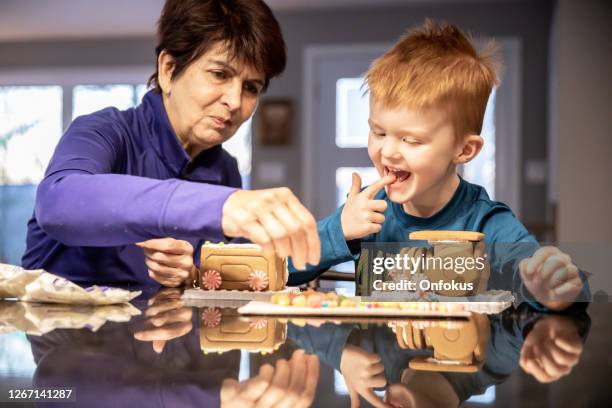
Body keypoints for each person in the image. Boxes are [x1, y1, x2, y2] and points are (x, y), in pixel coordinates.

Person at [288, 20, 587, 311]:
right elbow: (283, 270)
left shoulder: (488, 225)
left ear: (464, 149)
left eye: (412, 140)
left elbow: (564, 292)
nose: (388, 151)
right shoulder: (368, 211)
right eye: (379, 133)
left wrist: (553, 286)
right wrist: (339, 230)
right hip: (378, 357)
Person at [21, 0, 320, 287]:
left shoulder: (224, 170)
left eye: (251, 88)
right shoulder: (104, 131)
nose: (234, 101)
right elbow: (58, 202)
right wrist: (222, 206)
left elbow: (228, 278)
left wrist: (191, 275)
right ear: (168, 70)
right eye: (219, 74)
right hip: (57, 334)